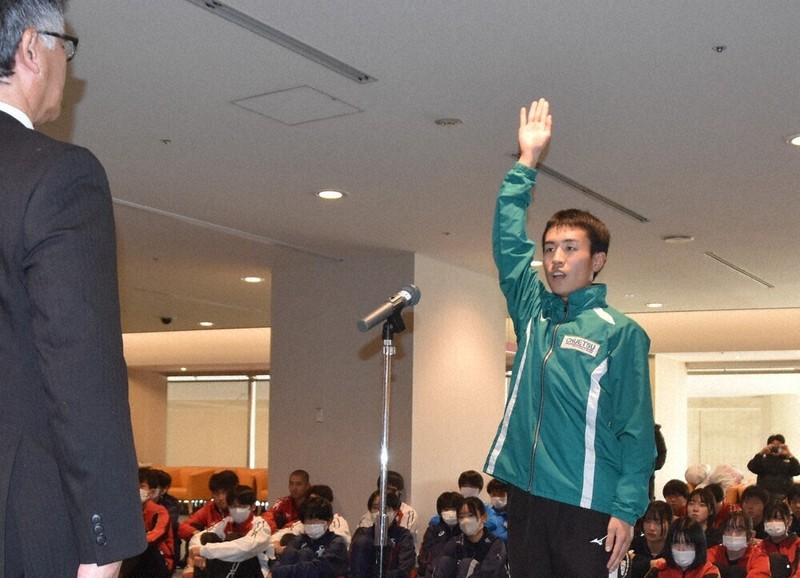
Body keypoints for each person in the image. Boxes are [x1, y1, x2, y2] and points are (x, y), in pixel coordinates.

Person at [0, 1, 146, 576]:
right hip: (22, 519)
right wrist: (103, 547)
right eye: (65, 46)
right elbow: (81, 371)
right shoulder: (56, 175)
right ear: (31, 49)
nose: (68, 63)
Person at [483, 98, 656, 577]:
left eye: (570, 248)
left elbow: (636, 431)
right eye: (550, 248)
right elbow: (508, 245)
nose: (556, 259)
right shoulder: (532, 312)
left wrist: (626, 509)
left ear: (597, 260)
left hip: (586, 503)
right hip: (526, 496)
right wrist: (526, 161)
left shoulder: (620, 333)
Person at [189, 485, 272, 578]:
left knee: (234, 540)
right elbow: (198, 537)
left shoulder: (260, 525)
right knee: (207, 537)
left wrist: (204, 551)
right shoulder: (228, 521)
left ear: (252, 507)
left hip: (254, 570)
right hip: (230, 569)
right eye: (233, 506)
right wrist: (196, 552)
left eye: (241, 506)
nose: (237, 510)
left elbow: (245, 547)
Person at [270, 496, 349, 578]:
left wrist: (279, 573)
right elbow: (281, 560)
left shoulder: (337, 543)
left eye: (316, 519)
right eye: (308, 519)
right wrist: (274, 571)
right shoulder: (299, 540)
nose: (311, 523)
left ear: (329, 521)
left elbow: (317, 568)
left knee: (305, 553)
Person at [430, 497, 508, 578]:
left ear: (484, 518)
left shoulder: (495, 543)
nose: (466, 521)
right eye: (461, 517)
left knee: (467, 564)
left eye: (471, 515)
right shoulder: (456, 542)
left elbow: (489, 572)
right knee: (445, 561)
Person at [121, 469, 175, 578]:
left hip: (159, 559)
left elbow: (157, 534)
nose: (137, 489)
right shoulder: (126, 510)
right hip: (134, 555)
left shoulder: (160, 511)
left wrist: (133, 542)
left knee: (144, 548)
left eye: (141, 486)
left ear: (151, 492)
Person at [348, 491, 415, 578]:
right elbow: (356, 569)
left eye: (386, 508)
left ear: (395, 511)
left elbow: (403, 571)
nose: (380, 512)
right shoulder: (362, 534)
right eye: (375, 507)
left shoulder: (403, 536)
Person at [356, 470, 420, 546]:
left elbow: (404, 540)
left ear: (399, 492)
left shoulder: (409, 513)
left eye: (392, 490)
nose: (387, 493)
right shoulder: (368, 515)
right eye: (384, 489)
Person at [644, 518, 721, 577]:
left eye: (688, 544)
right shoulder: (659, 570)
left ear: (698, 546)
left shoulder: (709, 572)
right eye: (676, 543)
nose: (681, 549)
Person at [706, 511, 767, 578]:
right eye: (728, 530)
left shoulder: (759, 558)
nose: (733, 535)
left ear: (750, 535)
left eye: (739, 530)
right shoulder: (712, 553)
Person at [418, 492, 465, 577]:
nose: (450, 513)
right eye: (446, 509)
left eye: (454, 509)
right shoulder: (433, 530)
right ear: (440, 511)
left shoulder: (466, 531)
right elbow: (424, 555)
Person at [751, 499, 800, 578]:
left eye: (778, 519)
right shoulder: (759, 548)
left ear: (789, 521)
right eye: (769, 519)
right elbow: (757, 573)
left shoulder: (797, 545)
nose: (773, 522)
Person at [747, 435, 800, 500]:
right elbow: (752, 467)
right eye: (773, 445)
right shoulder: (762, 460)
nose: (776, 447)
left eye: (779, 445)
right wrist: (761, 453)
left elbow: (797, 471)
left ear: (783, 446)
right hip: (764, 495)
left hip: (784, 495)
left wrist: (789, 454)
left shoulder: (789, 460)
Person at [630, 501, 672, 578]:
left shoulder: (674, 548)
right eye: (647, 521)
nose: (651, 528)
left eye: (658, 522)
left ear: (669, 523)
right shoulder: (634, 544)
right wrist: (650, 563)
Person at [263, 469, 311, 533]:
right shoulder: (284, 501)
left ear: (307, 486)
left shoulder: (313, 503)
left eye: (298, 484)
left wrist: (286, 528)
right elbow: (268, 515)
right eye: (291, 484)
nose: (294, 488)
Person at [484, 479, 508, 543]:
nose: (497, 498)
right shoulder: (486, 515)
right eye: (494, 494)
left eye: (501, 494)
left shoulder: (516, 514)